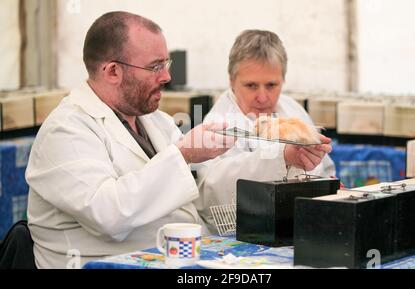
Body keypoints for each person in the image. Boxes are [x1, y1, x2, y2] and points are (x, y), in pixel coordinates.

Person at [25, 11, 235, 269]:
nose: (167, 77)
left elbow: (204, 188)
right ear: (113, 71)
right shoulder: (65, 130)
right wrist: (183, 155)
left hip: (172, 261)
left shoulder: (155, 120)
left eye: (166, 64)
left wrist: (280, 160)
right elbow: (107, 215)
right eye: (155, 66)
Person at [194, 30, 336, 233]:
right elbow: (211, 195)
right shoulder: (216, 125)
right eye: (251, 85)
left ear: (283, 80)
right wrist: (282, 159)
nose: (262, 97)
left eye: (271, 85)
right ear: (231, 80)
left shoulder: (292, 109)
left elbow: (327, 171)